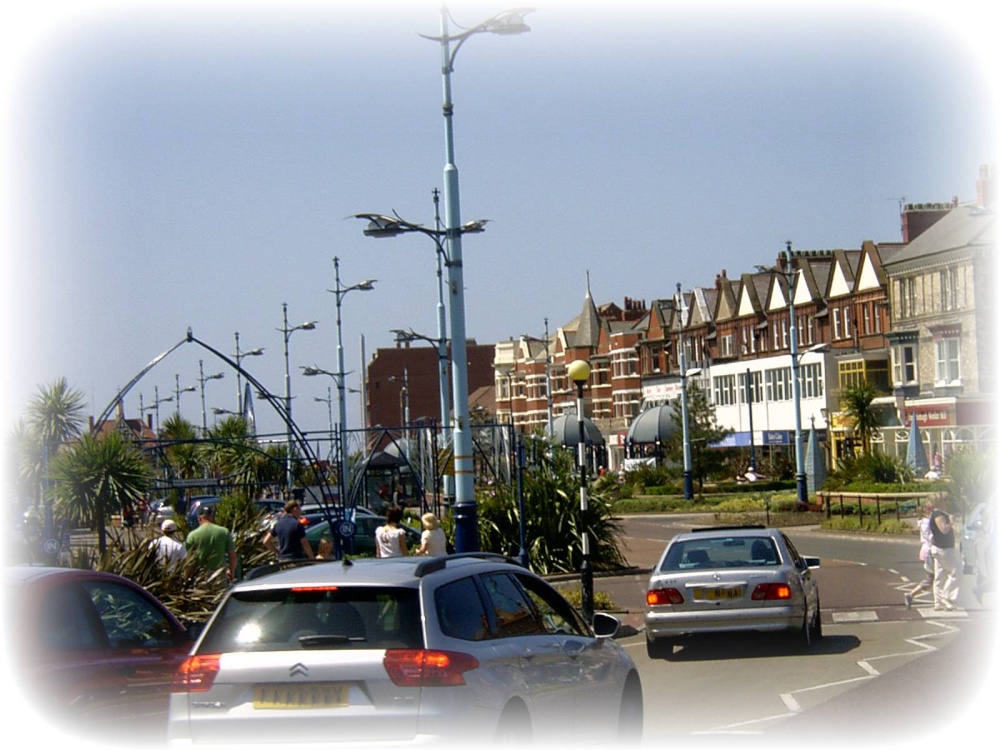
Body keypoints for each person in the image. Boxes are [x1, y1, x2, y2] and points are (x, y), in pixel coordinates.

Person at [185, 505, 238, 586]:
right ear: (211, 516)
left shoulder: (192, 535)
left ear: (199, 517)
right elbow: (233, 556)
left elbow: (189, 561)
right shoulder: (224, 532)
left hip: (201, 575)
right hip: (219, 574)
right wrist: (232, 572)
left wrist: (187, 577)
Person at [928, 507, 959, 611]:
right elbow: (944, 530)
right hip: (943, 549)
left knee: (940, 576)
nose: (947, 502)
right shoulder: (938, 514)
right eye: (945, 499)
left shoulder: (938, 513)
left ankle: (938, 602)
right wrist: (951, 521)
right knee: (956, 572)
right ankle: (946, 598)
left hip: (939, 549)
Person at [904, 505, 935, 608]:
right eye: (930, 509)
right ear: (926, 511)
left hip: (926, 550)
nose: (933, 510)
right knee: (933, 577)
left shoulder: (923, 521)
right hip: (929, 551)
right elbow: (931, 536)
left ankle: (911, 595)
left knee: (933, 578)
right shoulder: (927, 522)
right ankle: (911, 594)